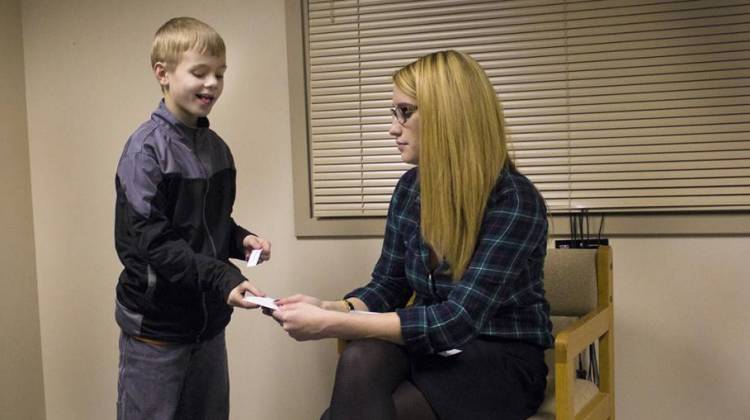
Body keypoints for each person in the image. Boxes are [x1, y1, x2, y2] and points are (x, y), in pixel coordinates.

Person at [270, 50, 552, 420]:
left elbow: (457, 320)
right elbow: (388, 286)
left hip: (500, 359)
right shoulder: (410, 189)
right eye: (394, 112)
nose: (392, 127)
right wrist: (332, 307)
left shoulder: (514, 199)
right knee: (361, 356)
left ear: (448, 116)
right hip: (433, 351)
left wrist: (334, 324)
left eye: (405, 112)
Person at [114, 17, 271, 420]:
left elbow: (210, 225)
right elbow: (154, 242)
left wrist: (241, 240)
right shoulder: (143, 152)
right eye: (199, 72)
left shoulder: (218, 149)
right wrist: (223, 278)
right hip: (156, 332)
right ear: (162, 74)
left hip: (209, 325)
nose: (212, 84)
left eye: (219, 74)